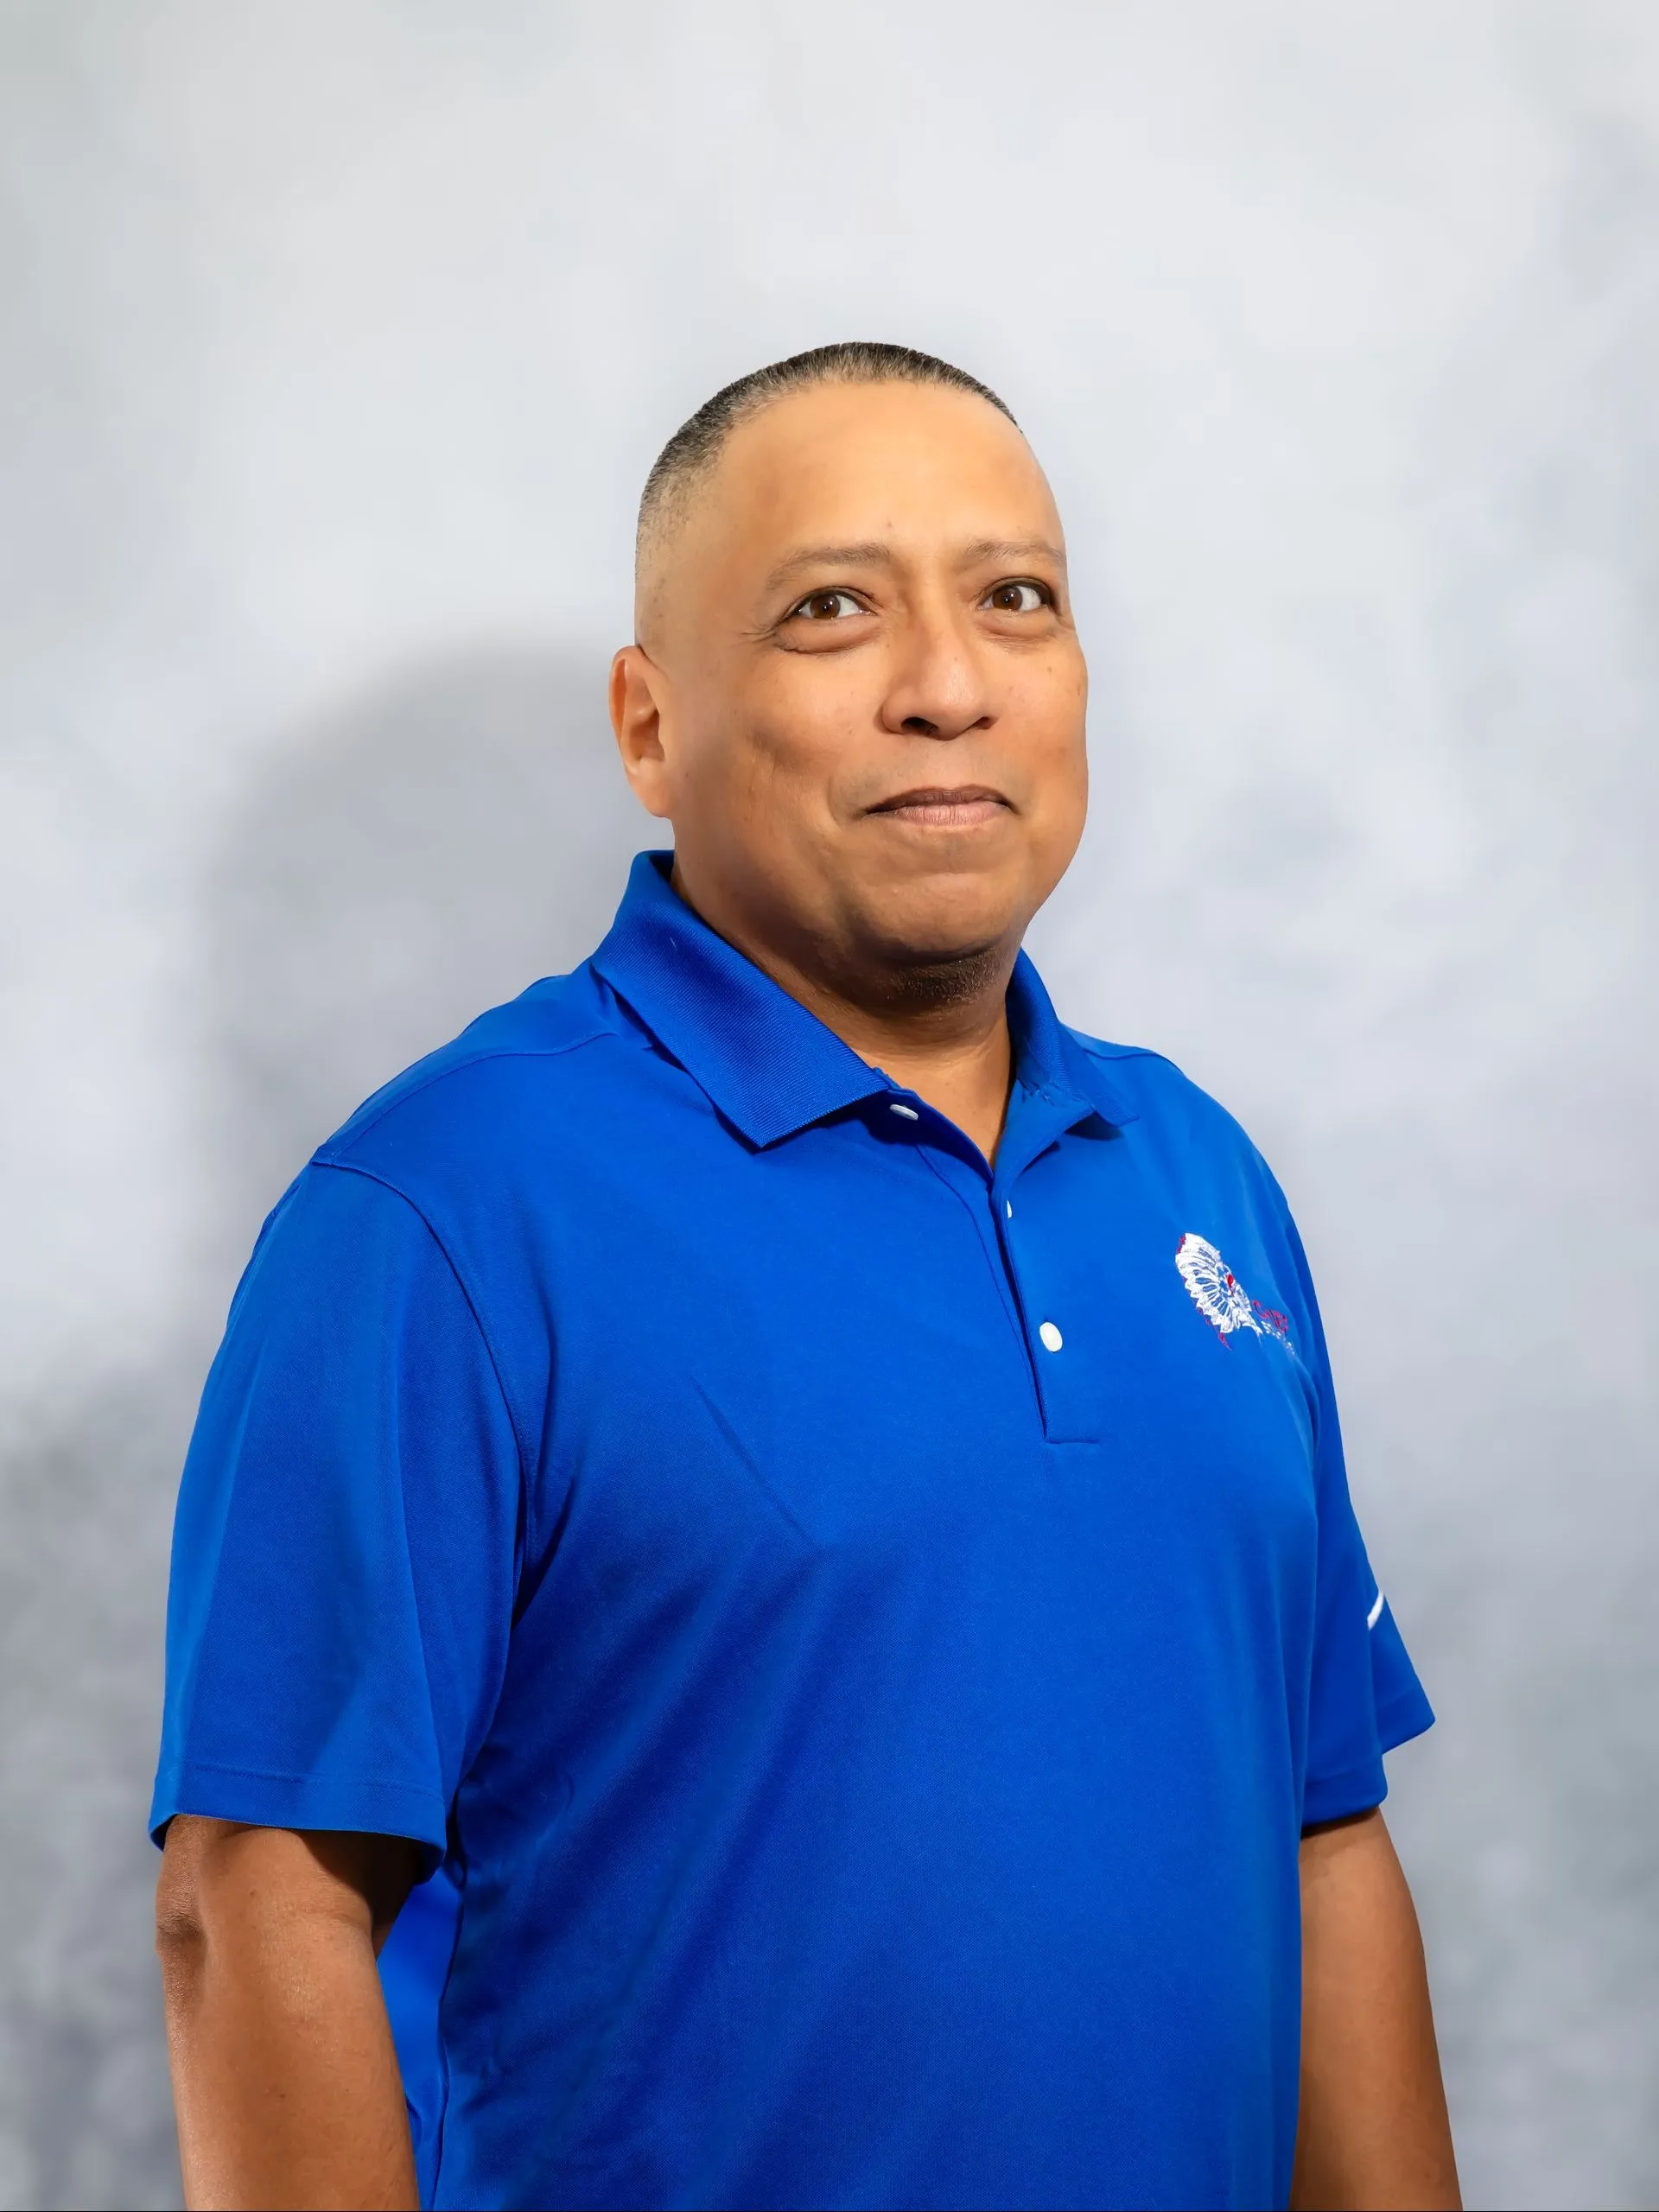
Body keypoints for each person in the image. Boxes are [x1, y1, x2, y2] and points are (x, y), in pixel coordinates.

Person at [151, 341, 1459, 2211]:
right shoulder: (443, 1208)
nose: (948, 685)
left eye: (1016, 599)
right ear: (649, 724)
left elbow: (1324, 1831)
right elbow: (254, 1896)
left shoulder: (1198, 1178)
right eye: (833, 609)